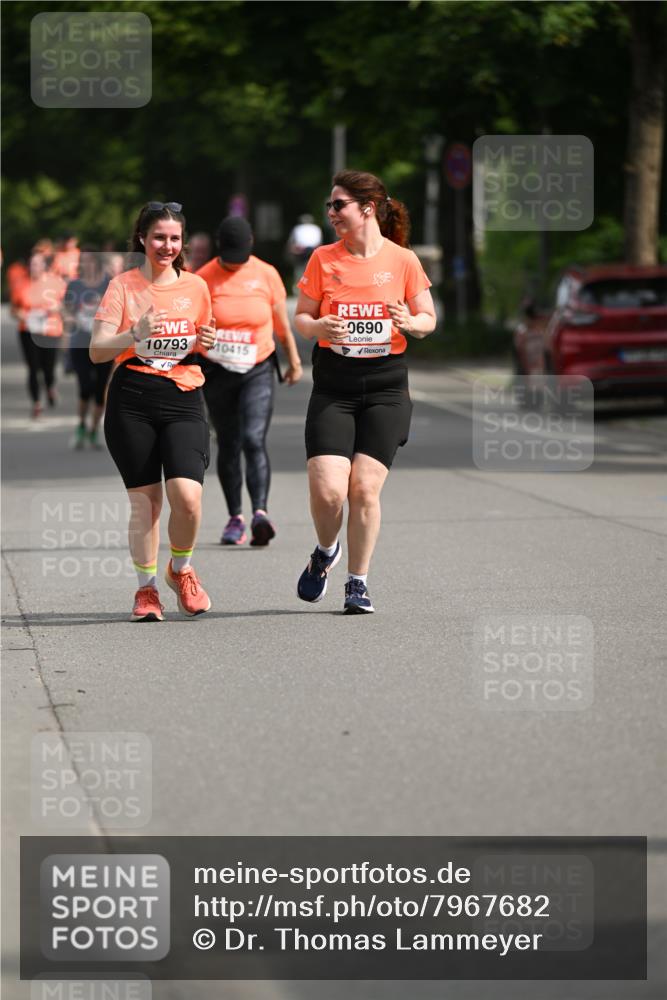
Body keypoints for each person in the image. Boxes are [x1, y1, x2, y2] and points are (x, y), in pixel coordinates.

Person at [294, 170, 436, 614]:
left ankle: (358, 583)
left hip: (386, 388)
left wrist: (412, 324)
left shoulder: (403, 260)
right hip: (334, 387)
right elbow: (301, 317)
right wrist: (318, 326)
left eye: (338, 205)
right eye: (329, 206)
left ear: (366, 209)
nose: (331, 213)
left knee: (365, 490)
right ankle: (325, 551)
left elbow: (427, 317)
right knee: (329, 491)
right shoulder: (323, 259)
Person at [90, 201, 216, 622]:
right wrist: (132, 333)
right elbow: (96, 350)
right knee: (146, 505)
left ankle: (181, 570)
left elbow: (201, 339)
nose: (167, 245)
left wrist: (208, 341)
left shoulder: (196, 287)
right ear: (142, 238)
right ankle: (146, 592)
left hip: (183, 397)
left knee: (188, 498)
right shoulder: (123, 286)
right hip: (133, 400)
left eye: (174, 238)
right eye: (159, 237)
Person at [197, 216, 302, 546]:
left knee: (254, 439)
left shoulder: (266, 274)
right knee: (228, 442)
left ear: (251, 244)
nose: (234, 263)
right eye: (229, 257)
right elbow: (191, 327)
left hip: (258, 367)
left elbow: (281, 322)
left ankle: (260, 514)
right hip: (217, 371)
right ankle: (235, 518)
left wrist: (294, 361)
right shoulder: (203, 279)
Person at [63, 248, 112, 449]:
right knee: (85, 387)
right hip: (80, 343)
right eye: (83, 261)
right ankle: (81, 424)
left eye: (90, 261)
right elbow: (66, 308)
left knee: (100, 389)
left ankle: (93, 430)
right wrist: (70, 317)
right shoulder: (74, 285)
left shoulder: (108, 283)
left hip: (103, 343)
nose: (86, 265)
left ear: (97, 263)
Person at [11, 251, 66, 418]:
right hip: (28, 330)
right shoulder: (21, 283)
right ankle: (36, 403)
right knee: (33, 368)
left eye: (37, 264)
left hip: (50, 330)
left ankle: (50, 387)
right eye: (31, 264)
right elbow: (14, 309)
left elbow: (66, 303)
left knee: (48, 368)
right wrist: (21, 315)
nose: (33, 267)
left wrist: (56, 308)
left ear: (44, 266)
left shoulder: (55, 282)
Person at [286, 213, 323, 291]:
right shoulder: (316, 228)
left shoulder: (297, 228)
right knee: (311, 268)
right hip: (312, 250)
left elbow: (292, 241)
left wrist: (291, 250)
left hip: (301, 250)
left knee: (300, 268)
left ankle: (298, 287)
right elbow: (319, 242)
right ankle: (312, 287)